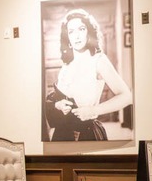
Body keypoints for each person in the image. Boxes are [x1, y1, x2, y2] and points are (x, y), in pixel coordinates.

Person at [45, 8, 133, 141]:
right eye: (71, 31)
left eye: (81, 29)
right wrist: (58, 105)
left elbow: (127, 96)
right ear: (67, 37)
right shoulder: (67, 63)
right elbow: (59, 97)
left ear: (89, 32)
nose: (77, 36)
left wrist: (93, 111)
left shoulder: (98, 60)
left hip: (86, 133)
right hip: (61, 133)